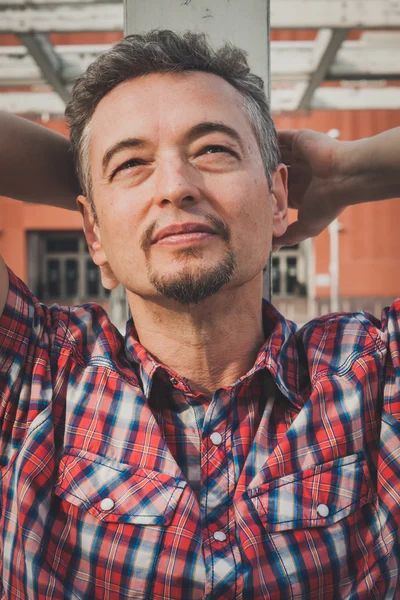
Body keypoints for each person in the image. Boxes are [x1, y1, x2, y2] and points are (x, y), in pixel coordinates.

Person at [0, 30, 399, 600]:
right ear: (91, 235)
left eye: (212, 150)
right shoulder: (36, 376)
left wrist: (348, 173)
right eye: (133, 162)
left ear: (277, 198)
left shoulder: (374, 373)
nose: (176, 188)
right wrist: (105, 197)